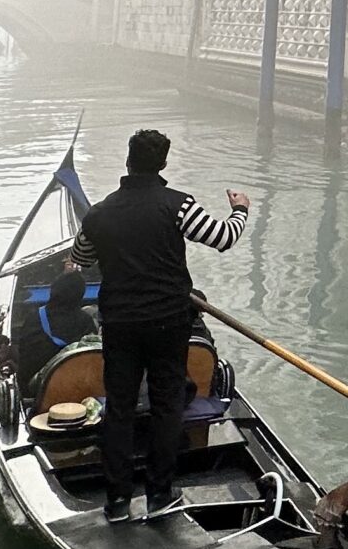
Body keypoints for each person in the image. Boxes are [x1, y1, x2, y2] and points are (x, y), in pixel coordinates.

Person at [71, 129, 250, 522]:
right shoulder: (178, 205)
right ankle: (159, 495)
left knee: (118, 408)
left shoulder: (99, 213)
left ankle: (117, 501)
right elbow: (223, 238)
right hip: (168, 323)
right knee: (167, 405)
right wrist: (241, 209)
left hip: (119, 322)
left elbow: (81, 257)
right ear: (163, 164)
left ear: (128, 161)